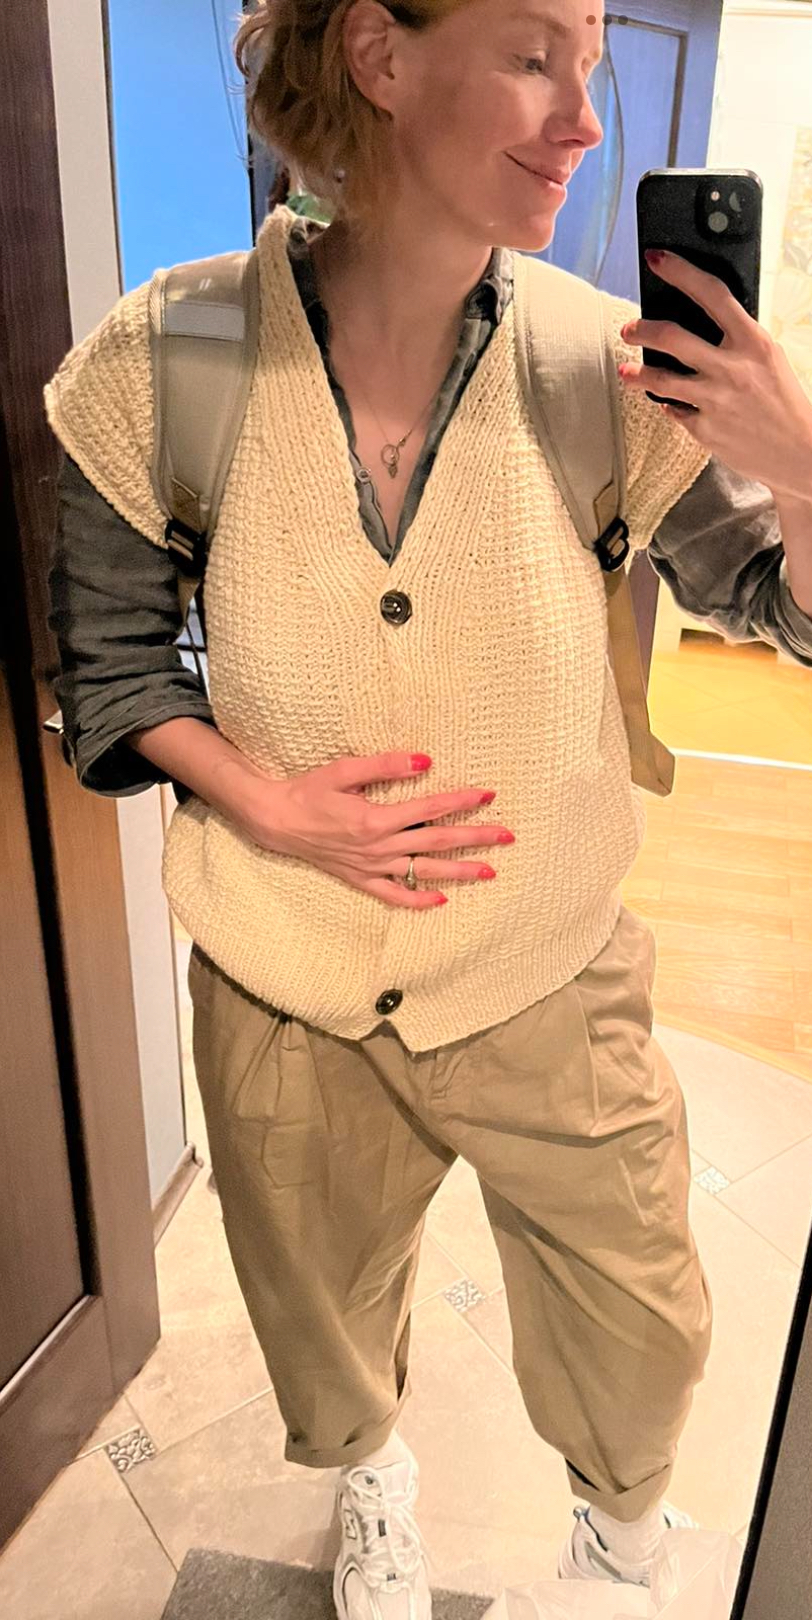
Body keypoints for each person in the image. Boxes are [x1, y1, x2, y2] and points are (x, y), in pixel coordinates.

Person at [43, 1, 812, 1614]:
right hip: (287, 980)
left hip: (546, 966)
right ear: (381, 59)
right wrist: (270, 805)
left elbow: (779, 607)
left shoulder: (608, 363)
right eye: (535, 57)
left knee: (644, 1317)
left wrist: (803, 475)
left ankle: (617, 1527)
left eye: (592, 64)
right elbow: (110, 671)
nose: (584, 120)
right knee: (319, 1306)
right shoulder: (174, 355)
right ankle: (371, 1476)